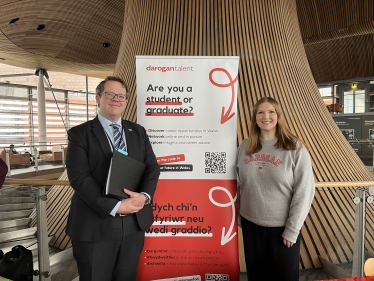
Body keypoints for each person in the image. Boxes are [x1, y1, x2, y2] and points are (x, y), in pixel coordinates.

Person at [66, 76, 160, 281]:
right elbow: (79, 177)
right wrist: (115, 206)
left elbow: (152, 167)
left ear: (126, 101)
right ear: (98, 98)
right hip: (95, 223)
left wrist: (144, 196)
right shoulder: (79, 134)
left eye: (121, 96)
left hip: (134, 223)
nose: (116, 99)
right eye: (110, 94)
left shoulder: (138, 131)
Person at [236, 97, 315, 281]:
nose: (266, 116)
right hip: (251, 227)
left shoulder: (295, 148)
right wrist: (238, 213)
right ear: (255, 117)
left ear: (278, 116)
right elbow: (238, 184)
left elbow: (304, 191)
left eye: (271, 111)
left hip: (283, 231)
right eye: (260, 112)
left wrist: (292, 229)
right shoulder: (244, 146)